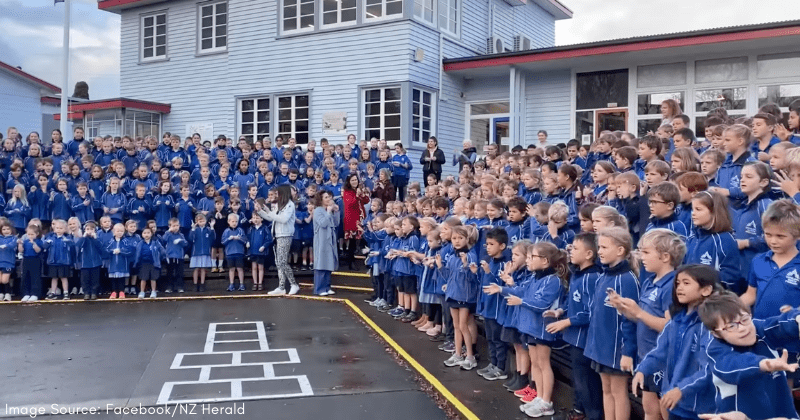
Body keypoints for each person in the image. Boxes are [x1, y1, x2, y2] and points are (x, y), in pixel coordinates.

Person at [633, 265, 720, 420]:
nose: (679, 288)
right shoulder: (675, 321)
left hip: (699, 407)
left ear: (706, 290)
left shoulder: (709, 325)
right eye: (678, 283)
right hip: (674, 401)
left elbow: (709, 368)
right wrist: (642, 370)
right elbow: (660, 351)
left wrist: (681, 390)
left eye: (686, 283)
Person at [584, 227, 639, 420]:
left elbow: (630, 319)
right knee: (606, 390)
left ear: (620, 250)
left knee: (618, 392)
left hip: (616, 348)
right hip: (601, 346)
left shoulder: (627, 280)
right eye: (599, 247)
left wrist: (627, 352)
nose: (599, 251)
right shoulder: (604, 275)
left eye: (604, 247)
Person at [259, 185, 300, 296]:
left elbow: (284, 219)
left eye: (278, 193)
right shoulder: (279, 205)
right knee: (279, 263)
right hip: (277, 235)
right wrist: (261, 212)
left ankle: (294, 284)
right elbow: (272, 218)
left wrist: (269, 211)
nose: (276, 195)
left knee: (282, 262)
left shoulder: (290, 205)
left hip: (285, 235)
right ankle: (281, 287)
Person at [312, 190, 339, 296]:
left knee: (329, 262)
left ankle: (327, 287)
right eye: (326, 197)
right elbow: (323, 223)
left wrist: (336, 212)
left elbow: (336, 223)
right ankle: (319, 288)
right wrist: (328, 212)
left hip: (330, 239)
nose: (329, 199)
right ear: (321, 199)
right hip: (321, 239)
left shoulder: (329, 210)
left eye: (329, 197)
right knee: (321, 263)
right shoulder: (318, 210)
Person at [342, 174, 370, 270]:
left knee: (362, 239)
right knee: (352, 242)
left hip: (360, 218)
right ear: (349, 182)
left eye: (356, 180)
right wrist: (357, 196)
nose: (355, 182)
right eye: (352, 180)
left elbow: (367, 200)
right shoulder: (347, 192)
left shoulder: (359, 190)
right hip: (351, 219)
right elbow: (350, 203)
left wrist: (361, 194)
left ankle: (366, 258)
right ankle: (350, 262)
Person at [189, 213, 214, 292]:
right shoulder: (195, 230)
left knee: (203, 269)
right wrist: (192, 229)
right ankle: (195, 284)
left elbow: (213, 238)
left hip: (205, 252)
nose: (201, 222)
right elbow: (190, 238)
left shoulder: (208, 230)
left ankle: (203, 284)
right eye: (199, 221)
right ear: (196, 221)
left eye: (203, 220)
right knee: (196, 269)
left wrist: (212, 228)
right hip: (196, 252)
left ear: (205, 221)